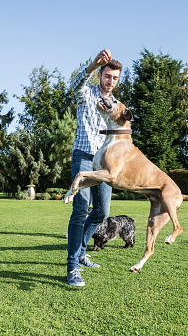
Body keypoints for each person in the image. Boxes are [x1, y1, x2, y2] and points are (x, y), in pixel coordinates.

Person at [66, 49, 122, 287]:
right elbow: (74, 84)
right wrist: (91, 65)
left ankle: (80, 251)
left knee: (102, 211)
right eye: (107, 76)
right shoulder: (86, 94)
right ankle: (72, 268)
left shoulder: (116, 104)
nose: (110, 81)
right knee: (80, 210)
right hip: (84, 156)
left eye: (115, 78)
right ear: (100, 75)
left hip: (104, 163)